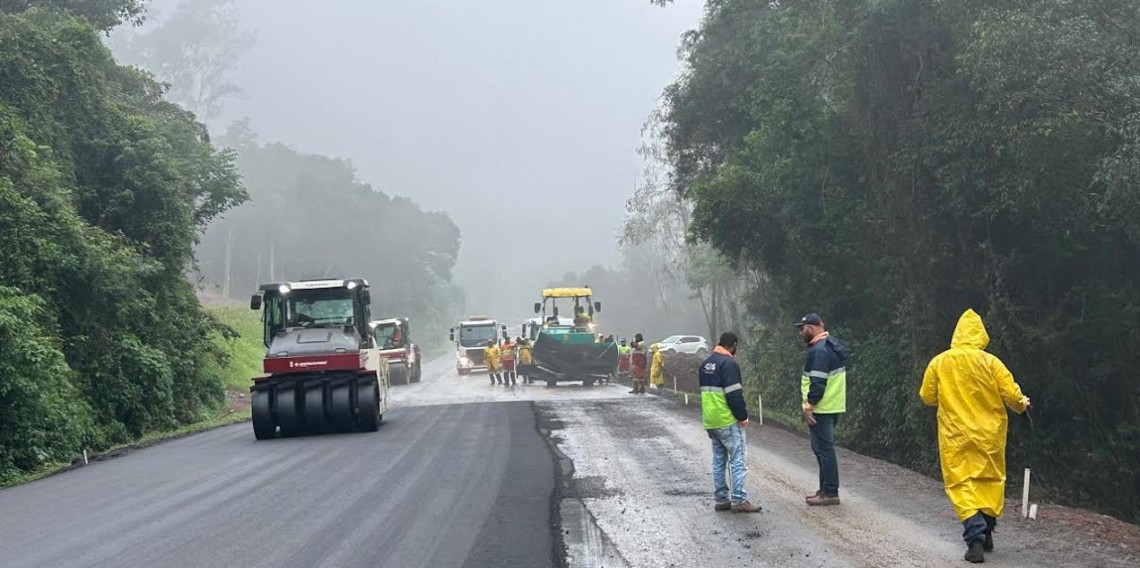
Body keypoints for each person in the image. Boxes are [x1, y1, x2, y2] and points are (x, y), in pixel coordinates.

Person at [920, 309, 1031, 564]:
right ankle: (987, 530)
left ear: (956, 334)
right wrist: (1024, 404)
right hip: (989, 435)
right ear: (982, 335)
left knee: (961, 484)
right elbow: (1012, 395)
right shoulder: (991, 362)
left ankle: (975, 539)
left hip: (955, 435)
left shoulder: (940, 362)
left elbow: (927, 396)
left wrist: (948, 396)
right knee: (990, 481)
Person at [700, 331, 760, 513]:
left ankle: (721, 499)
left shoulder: (705, 364)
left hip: (711, 420)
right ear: (733, 345)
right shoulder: (729, 364)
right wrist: (742, 417)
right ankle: (739, 499)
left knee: (719, 460)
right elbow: (734, 395)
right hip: (727, 420)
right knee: (738, 459)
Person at [795, 313, 848, 507]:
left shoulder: (818, 351)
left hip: (822, 408)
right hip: (831, 406)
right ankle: (824, 489)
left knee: (824, 450)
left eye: (802, 329)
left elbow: (817, 382)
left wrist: (809, 406)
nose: (800, 333)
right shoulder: (830, 346)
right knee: (821, 450)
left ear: (810, 328)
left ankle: (830, 492)